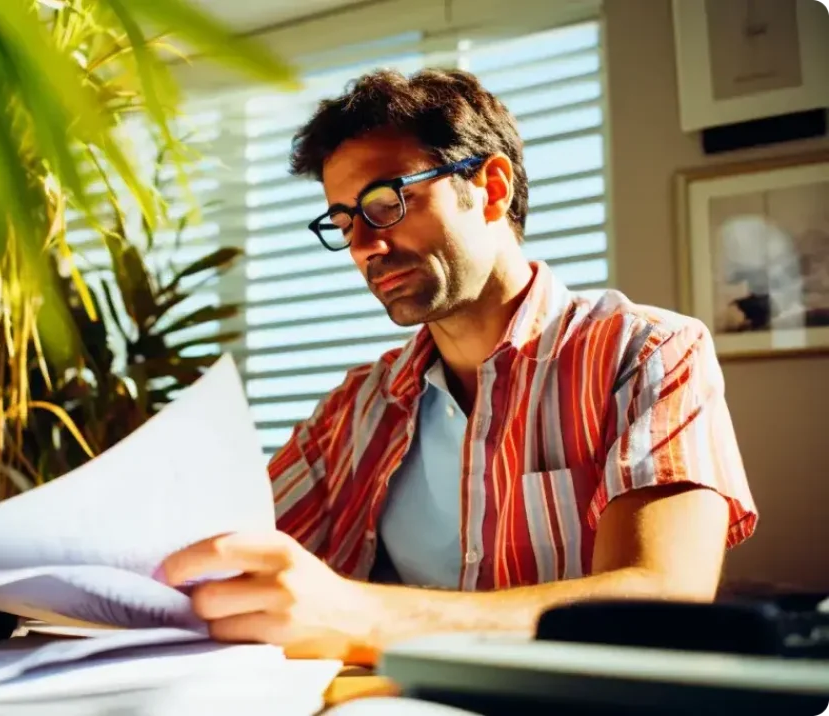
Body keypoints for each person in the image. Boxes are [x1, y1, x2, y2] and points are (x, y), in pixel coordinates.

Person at [157, 68, 758, 664]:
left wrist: (357, 614)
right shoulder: (355, 407)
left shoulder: (649, 352)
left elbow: (662, 598)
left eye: (386, 204)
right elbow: (224, 553)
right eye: (343, 223)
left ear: (492, 188)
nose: (365, 245)